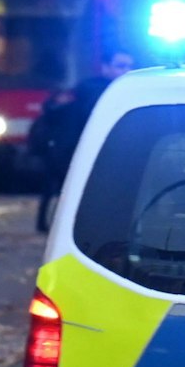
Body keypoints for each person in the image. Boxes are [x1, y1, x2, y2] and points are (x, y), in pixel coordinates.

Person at [34, 50, 133, 233]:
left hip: (68, 149)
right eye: (120, 66)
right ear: (105, 68)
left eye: (129, 66)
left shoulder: (97, 88)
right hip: (71, 150)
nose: (126, 71)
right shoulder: (97, 90)